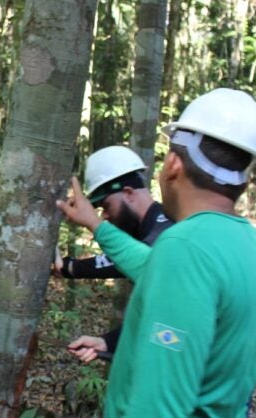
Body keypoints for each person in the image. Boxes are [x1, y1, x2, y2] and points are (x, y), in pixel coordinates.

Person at [56, 88, 256, 417]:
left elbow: (159, 405)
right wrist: (96, 225)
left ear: (174, 164)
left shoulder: (185, 248)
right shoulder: (253, 246)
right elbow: (151, 266)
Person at [51, 146, 173, 362]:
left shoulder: (167, 231)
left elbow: (139, 261)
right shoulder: (148, 229)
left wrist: (92, 224)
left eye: (106, 205)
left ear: (128, 193)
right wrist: (108, 342)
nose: (105, 215)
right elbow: (158, 319)